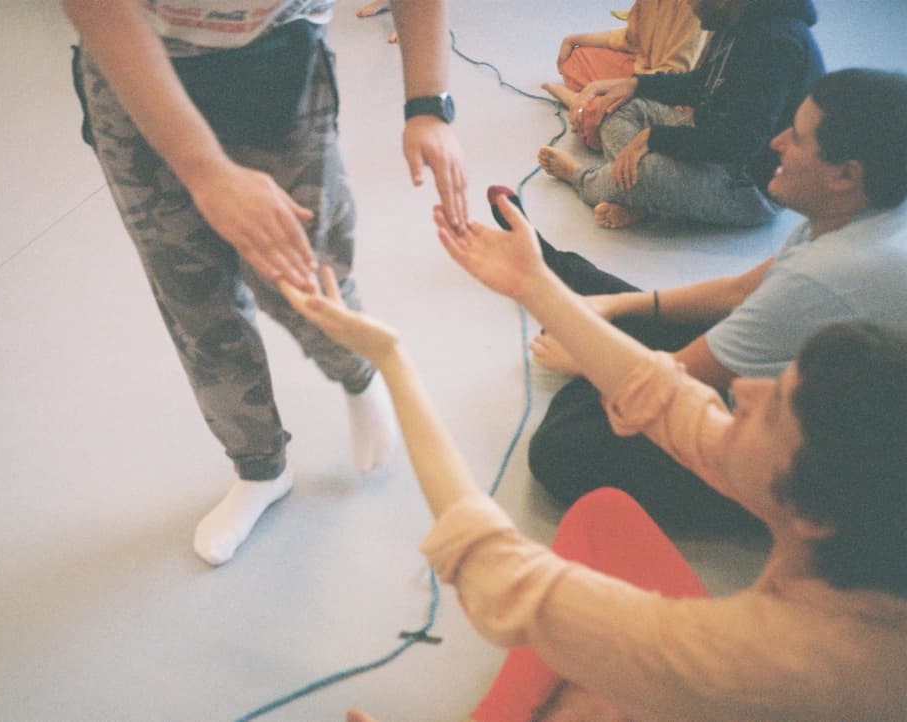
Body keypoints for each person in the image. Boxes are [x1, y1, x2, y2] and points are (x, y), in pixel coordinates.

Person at [279, 200, 907, 719]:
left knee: (592, 699)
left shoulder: (766, 662)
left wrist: (393, 361)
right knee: (604, 518)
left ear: (817, 513)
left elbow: (501, 573)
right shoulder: (864, 527)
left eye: (773, 411)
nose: (744, 389)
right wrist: (536, 284)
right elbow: (671, 400)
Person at [64, 0, 467, 566]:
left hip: (274, 62)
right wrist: (205, 171)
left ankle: (357, 371)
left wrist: (428, 104)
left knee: (306, 274)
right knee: (192, 294)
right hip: (135, 69)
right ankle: (259, 468)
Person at [503, 67, 907, 530]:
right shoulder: (864, 209)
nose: (775, 142)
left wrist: (585, 357)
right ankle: (546, 263)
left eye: (795, 137)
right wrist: (615, 308)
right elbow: (738, 292)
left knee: (560, 450)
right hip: (783, 380)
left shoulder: (824, 278)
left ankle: (569, 318)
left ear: (845, 174)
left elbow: (675, 378)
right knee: (629, 310)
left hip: (799, 477)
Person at [538, 0, 823, 229]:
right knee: (619, 106)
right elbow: (703, 83)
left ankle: (584, 179)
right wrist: (635, 84)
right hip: (711, 136)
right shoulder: (740, 17)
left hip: (748, 184)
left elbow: (739, 143)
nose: (693, 14)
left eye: (694, 6)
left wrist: (653, 138)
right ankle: (640, 196)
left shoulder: (777, 43)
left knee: (646, 172)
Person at [541, 0, 708, 150]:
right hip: (642, 69)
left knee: (602, 117)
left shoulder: (694, 6)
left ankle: (580, 105)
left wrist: (601, 86)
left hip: (670, 93)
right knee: (576, 58)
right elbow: (632, 38)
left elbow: (675, 76)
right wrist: (573, 39)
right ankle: (585, 105)